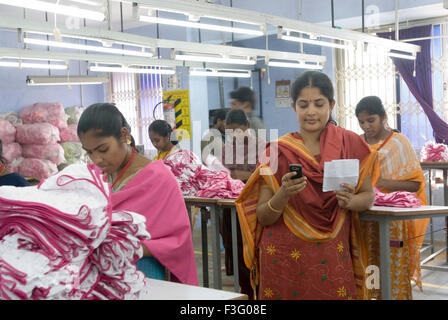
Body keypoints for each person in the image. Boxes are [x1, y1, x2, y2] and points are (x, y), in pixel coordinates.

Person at [235, 71, 376, 300]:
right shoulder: (277, 151)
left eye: (319, 104)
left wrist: (351, 201)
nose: (311, 111)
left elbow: (368, 196)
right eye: (303, 105)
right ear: (294, 108)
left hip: (332, 252)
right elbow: (263, 216)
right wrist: (282, 194)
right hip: (284, 255)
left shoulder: (349, 144)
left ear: (331, 105)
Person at [77, 103, 198, 286]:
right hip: (99, 271)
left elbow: (177, 241)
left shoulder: (159, 179)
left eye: (103, 150)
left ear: (124, 135)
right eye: (89, 153)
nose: (97, 159)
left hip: (142, 271)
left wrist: (126, 247)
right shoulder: (97, 178)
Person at [356, 95, 428, 300]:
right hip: (365, 217)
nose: (366, 126)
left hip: (392, 221)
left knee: (392, 266)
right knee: (368, 267)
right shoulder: (357, 143)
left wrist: (383, 183)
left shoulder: (399, 143)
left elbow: (415, 184)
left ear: (383, 117)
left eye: (371, 120)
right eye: (362, 122)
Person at [219, 109, 265, 298]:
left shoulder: (263, 147)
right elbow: (222, 175)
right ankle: (245, 293)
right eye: (230, 132)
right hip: (231, 212)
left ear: (247, 126)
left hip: (254, 211)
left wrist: (241, 176)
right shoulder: (226, 149)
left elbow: (265, 176)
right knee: (236, 254)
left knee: (256, 254)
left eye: (238, 131)